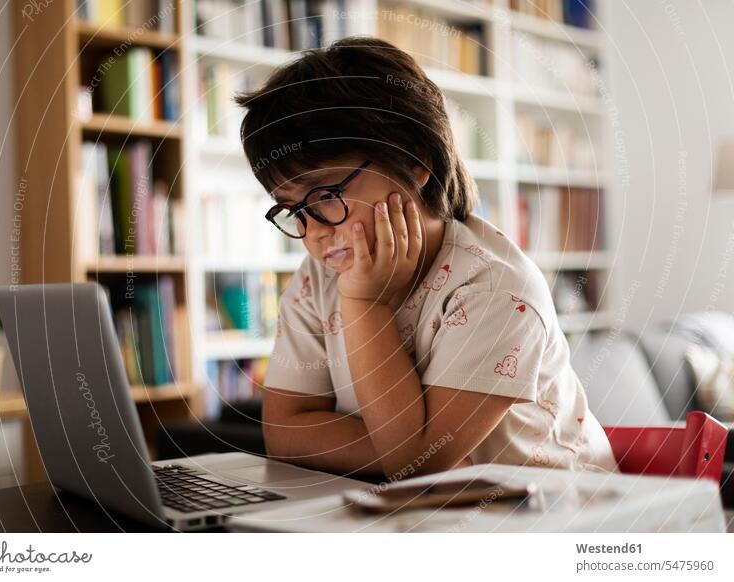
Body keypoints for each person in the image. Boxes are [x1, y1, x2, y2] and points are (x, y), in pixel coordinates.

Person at [233, 36, 618, 480]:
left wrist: (364, 305)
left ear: (417, 163)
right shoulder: (317, 278)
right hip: (429, 513)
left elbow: (415, 461)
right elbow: (283, 433)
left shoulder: (496, 288)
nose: (315, 229)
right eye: (293, 209)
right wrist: (406, 450)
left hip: (559, 517)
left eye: (326, 194)